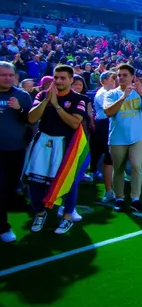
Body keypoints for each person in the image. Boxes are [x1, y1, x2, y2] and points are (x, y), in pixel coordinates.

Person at [24, 65, 86, 234]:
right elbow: (31, 118)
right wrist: (46, 101)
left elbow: (74, 123)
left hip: (66, 144)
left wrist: (56, 106)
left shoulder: (78, 98)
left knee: (68, 181)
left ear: (71, 80)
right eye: (55, 77)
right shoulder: (42, 95)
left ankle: (67, 216)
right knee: (35, 180)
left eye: (62, 78)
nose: (58, 81)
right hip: (43, 141)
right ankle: (40, 213)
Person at [104, 63, 142, 212]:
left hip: (137, 138)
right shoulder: (111, 94)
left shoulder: (140, 93)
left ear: (132, 77)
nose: (121, 78)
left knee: (136, 167)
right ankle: (119, 197)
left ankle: (135, 198)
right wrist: (123, 96)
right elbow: (108, 112)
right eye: (119, 75)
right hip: (117, 138)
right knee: (118, 169)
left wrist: (141, 93)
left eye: (125, 75)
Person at [0, 62, 32, 243]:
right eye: (3, 75)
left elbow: (30, 120)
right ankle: (3, 227)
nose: (7, 78)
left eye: (10, 75)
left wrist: (19, 109)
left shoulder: (22, 95)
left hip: (16, 150)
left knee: (10, 189)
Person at [91, 71, 116, 202]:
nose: (114, 82)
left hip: (108, 123)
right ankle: (96, 172)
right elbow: (111, 109)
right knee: (106, 151)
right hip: (104, 124)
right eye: (111, 79)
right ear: (103, 81)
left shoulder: (110, 93)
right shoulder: (103, 94)